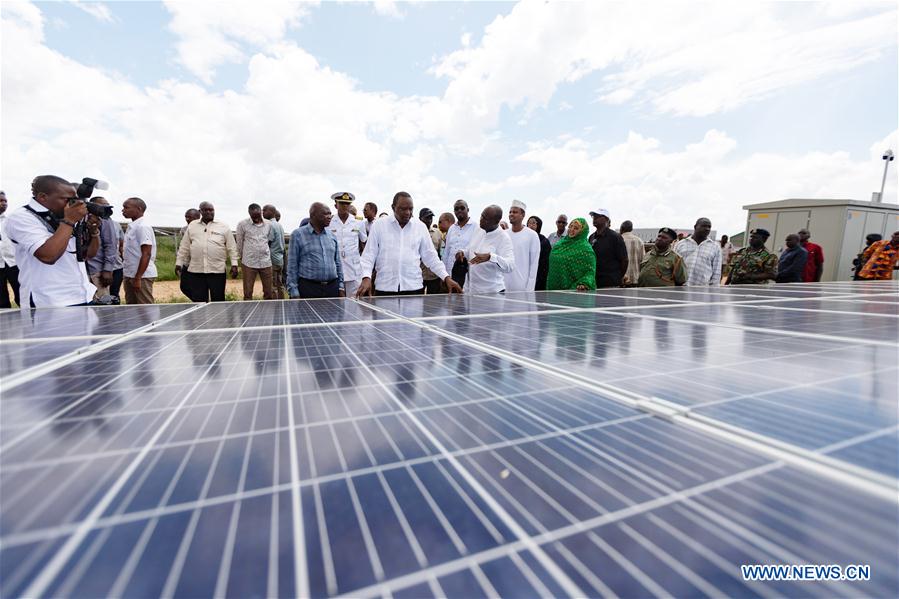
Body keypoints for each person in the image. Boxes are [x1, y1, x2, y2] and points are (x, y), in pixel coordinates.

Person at [4, 175, 98, 307]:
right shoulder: (21, 217)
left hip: (82, 295)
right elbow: (48, 256)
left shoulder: (63, 216)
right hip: (47, 301)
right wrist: (69, 221)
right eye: (67, 200)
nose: (73, 204)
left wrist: (94, 232)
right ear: (43, 197)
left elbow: (86, 255)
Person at [357, 192, 462, 296]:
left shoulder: (420, 227)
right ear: (393, 207)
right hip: (385, 288)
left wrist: (446, 277)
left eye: (411, 209)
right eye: (403, 209)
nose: (407, 212)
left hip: (414, 288)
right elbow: (369, 255)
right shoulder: (379, 225)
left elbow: (431, 256)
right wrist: (366, 277)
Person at [176, 201, 239, 302]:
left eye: (211, 210)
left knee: (218, 300)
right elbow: (184, 246)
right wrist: (179, 263)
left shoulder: (223, 226)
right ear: (200, 211)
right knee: (199, 300)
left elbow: (232, 247)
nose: (209, 212)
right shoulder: (192, 226)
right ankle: (202, 313)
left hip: (217, 270)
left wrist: (234, 264)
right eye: (206, 210)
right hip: (197, 271)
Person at [286, 203, 344, 298]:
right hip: (308, 289)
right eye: (325, 214)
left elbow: (338, 263)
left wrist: (341, 287)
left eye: (330, 214)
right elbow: (292, 266)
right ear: (313, 215)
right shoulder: (298, 235)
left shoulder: (332, 236)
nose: (329, 217)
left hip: (332, 288)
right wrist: (293, 291)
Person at [466, 205, 515, 294]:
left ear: (496, 221)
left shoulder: (503, 238)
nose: (481, 219)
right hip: (473, 292)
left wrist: (490, 257)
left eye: (485, 218)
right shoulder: (478, 229)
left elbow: (510, 266)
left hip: (493, 293)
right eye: (481, 216)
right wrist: (463, 252)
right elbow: (470, 249)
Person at [328, 192, 368, 298]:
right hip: (335, 269)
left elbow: (364, 244)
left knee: (354, 301)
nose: (345, 206)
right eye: (342, 203)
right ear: (336, 205)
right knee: (336, 302)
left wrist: (365, 268)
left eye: (347, 203)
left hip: (354, 269)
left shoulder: (358, 222)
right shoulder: (329, 222)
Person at [84, 197, 123, 302]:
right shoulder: (81, 217)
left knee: (101, 304)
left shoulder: (105, 219)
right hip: (80, 270)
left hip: (97, 271)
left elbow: (110, 245)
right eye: (101, 206)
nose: (104, 209)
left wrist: (107, 270)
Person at [121, 197, 157, 304]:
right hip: (130, 273)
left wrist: (138, 278)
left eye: (126, 207)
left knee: (145, 308)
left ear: (139, 209)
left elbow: (146, 253)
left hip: (141, 276)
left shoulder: (142, 227)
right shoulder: (133, 226)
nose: (123, 210)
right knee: (132, 307)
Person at [235, 203, 275, 300]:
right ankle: (248, 308)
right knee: (248, 293)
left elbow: (269, 240)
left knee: (269, 292)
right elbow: (239, 243)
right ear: (249, 214)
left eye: (258, 216)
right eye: (253, 217)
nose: (256, 219)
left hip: (266, 262)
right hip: (249, 262)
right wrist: (241, 257)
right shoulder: (242, 224)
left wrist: (264, 251)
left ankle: (268, 308)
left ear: (261, 212)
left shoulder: (269, 224)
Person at [546, 217, 596, 291]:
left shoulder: (586, 249)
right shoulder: (560, 244)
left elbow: (590, 272)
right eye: (570, 226)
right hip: (554, 288)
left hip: (574, 292)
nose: (571, 229)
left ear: (582, 231)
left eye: (576, 228)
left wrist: (584, 283)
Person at [504, 200, 540, 292]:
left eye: (515, 212)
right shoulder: (504, 234)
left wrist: (529, 289)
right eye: (510, 212)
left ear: (523, 215)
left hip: (522, 288)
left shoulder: (532, 235)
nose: (511, 214)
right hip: (504, 287)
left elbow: (534, 264)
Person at [674, 217, 721, 286]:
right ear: (695, 227)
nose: (707, 229)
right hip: (680, 286)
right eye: (704, 226)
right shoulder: (681, 244)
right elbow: (673, 265)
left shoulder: (715, 247)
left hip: (702, 288)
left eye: (709, 227)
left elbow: (716, 272)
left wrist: (714, 288)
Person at [589, 208, 627, 288]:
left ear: (606, 219)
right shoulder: (591, 237)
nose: (594, 218)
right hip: (595, 282)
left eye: (598, 216)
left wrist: (618, 277)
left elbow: (624, 260)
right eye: (593, 216)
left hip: (611, 283)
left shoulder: (615, 237)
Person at [443, 199, 477, 288]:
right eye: (456, 209)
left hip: (466, 274)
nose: (459, 210)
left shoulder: (476, 227)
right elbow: (446, 252)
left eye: (462, 208)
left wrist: (463, 253)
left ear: (468, 209)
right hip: (450, 274)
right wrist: (444, 275)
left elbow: (475, 249)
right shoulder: (452, 228)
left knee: (464, 296)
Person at [0, 191, 22, 308]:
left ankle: (29, 318)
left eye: (5, 201)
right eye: (1, 201)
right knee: (2, 300)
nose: (4, 203)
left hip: (14, 263)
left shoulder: (10, 221)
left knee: (22, 295)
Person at [418, 208, 444, 294]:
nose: (429, 220)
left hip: (434, 275)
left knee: (433, 300)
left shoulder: (438, 233)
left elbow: (441, 254)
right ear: (420, 218)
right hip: (419, 275)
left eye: (430, 218)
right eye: (426, 218)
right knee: (417, 300)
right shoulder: (415, 233)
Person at [263, 204, 286, 299]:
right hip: (280, 259)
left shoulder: (270, 225)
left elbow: (268, 242)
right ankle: (282, 303)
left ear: (271, 212)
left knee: (272, 286)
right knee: (280, 284)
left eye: (264, 210)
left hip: (272, 260)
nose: (262, 212)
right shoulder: (279, 225)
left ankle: (274, 305)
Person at [178, 208, 201, 299]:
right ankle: (199, 301)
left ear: (197, 217)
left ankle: (202, 302)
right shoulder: (184, 229)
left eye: (189, 217)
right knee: (184, 287)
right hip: (187, 263)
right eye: (186, 217)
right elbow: (183, 246)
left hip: (199, 264)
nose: (187, 219)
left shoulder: (204, 228)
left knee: (198, 287)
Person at [527, 216, 552, 291]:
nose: (531, 225)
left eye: (534, 223)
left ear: (539, 226)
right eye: (529, 223)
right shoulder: (523, 238)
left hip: (539, 274)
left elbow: (545, 263)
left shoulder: (544, 241)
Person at [619, 220, 644, 287]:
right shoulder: (639, 241)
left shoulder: (619, 239)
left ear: (621, 228)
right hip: (636, 278)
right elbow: (643, 261)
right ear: (631, 229)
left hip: (623, 279)